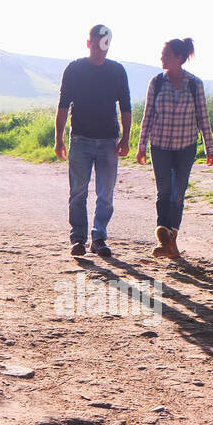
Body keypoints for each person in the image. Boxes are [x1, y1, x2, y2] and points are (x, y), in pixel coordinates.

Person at [55, 24, 132, 257]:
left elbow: (126, 107)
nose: (101, 50)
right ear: (88, 43)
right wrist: (58, 139)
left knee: (105, 193)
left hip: (109, 139)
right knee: (78, 191)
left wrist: (126, 138)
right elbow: (63, 106)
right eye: (97, 44)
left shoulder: (117, 71)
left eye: (105, 44)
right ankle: (78, 239)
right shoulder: (75, 69)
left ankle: (99, 238)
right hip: (80, 138)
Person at [135, 37, 213, 260]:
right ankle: (165, 237)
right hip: (159, 146)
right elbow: (147, 116)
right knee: (164, 193)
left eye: (166, 54)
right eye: (162, 54)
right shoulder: (156, 83)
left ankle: (171, 240)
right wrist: (141, 146)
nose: (162, 58)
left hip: (185, 147)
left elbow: (203, 117)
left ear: (179, 58)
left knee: (178, 195)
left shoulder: (194, 84)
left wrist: (209, 148)